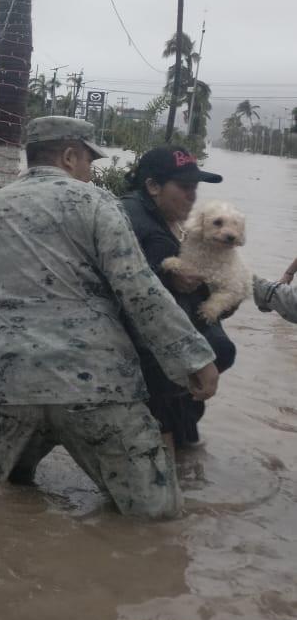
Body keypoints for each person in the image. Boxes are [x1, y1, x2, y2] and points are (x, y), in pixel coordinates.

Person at [0, 117, 219, 519]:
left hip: (10, 384)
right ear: (70, 156)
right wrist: (195, 357)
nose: (90, 171)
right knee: (157, 517)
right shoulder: (96, 202)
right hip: (93, 386)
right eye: (89, 160)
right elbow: (139, 291)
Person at [119, 146, 233, 450]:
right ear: (153, 186)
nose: (192, 197)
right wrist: (166, 276)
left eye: (195, 187)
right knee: (162, 450)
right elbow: (133, 290)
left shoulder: (166, 218)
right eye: (184, 187)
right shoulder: (141, 225)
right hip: (153, 362)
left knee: (184, 450)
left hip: (173, 367)